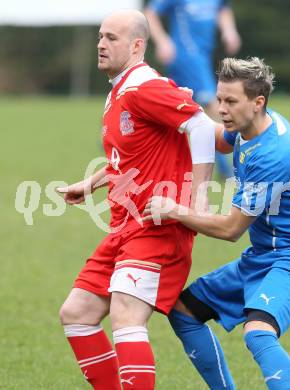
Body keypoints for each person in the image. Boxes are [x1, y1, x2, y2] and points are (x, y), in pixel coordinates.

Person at [144, 57, 290, 389]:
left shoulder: (271, 153)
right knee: (183, 312)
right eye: (219, 99)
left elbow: (231, 229)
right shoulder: (251, 127)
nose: (221, 109)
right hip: (265, 255)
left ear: (258, 102)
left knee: (258, 333)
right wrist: (178, 113)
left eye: (230, 101)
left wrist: (174, 210)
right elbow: (215, 136)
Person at [56, 10, 217, 390]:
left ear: (137, 45)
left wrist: (199, 198)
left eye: (111, 38)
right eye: (100, 36)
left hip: (157, 227)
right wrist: (92, 183)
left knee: (127, 316)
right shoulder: (120, 89)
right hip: (126, 226)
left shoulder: (143, 86)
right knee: (77, 313)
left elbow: (200, 126)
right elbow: (131, 155)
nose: (100, 44)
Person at [144, 0, 241, 179]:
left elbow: (223, 10)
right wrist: (163, 41)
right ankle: (229, 169)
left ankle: (127, 137)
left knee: (172, 110)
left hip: (202, 56)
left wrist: (229, 31)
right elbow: (150, 13)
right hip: (186, 56)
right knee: (215, 108)